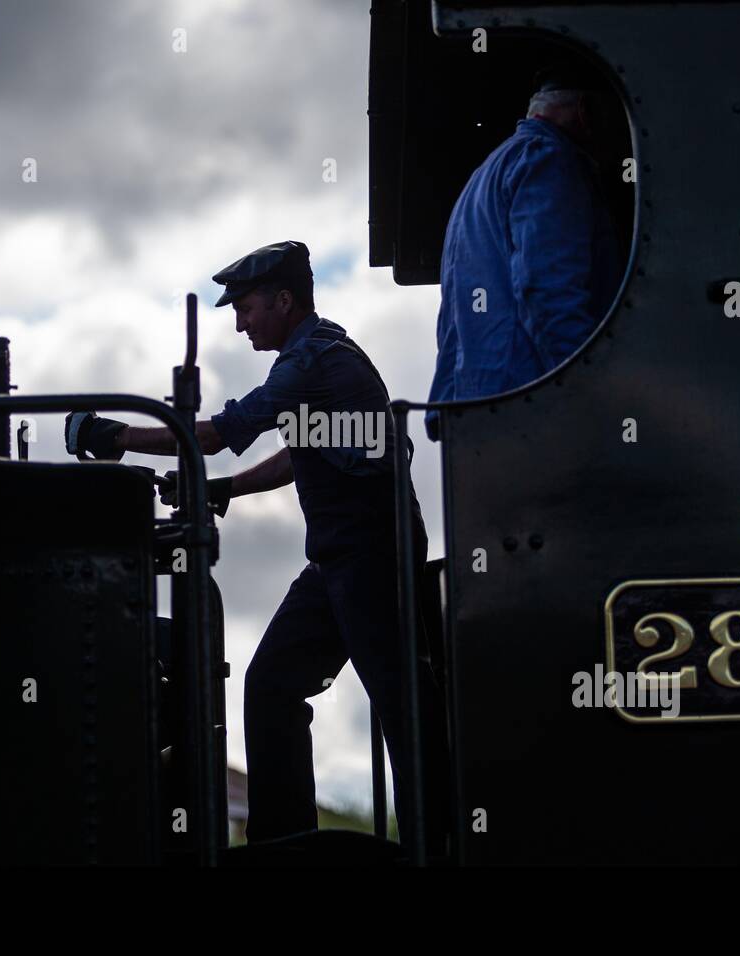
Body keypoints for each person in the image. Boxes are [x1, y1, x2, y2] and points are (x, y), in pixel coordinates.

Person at [64, 240, 450, 849]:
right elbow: (303, 450)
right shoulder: (321, 356)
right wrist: (227, 490)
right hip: (336, 560)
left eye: (245, 308)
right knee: (271, 682)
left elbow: (218, 433)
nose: (239, 323)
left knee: (402, 703)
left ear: (284, 300)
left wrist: (114, 436)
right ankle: (282, 843)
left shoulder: (313, 362)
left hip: (373, 554)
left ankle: (442, 844)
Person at [426, 60, 625, 440]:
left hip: (474, 406)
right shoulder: (550, 161)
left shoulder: (487, 172)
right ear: (587, 112)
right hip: (531, 406)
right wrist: (593, 391)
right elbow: (548, 291)